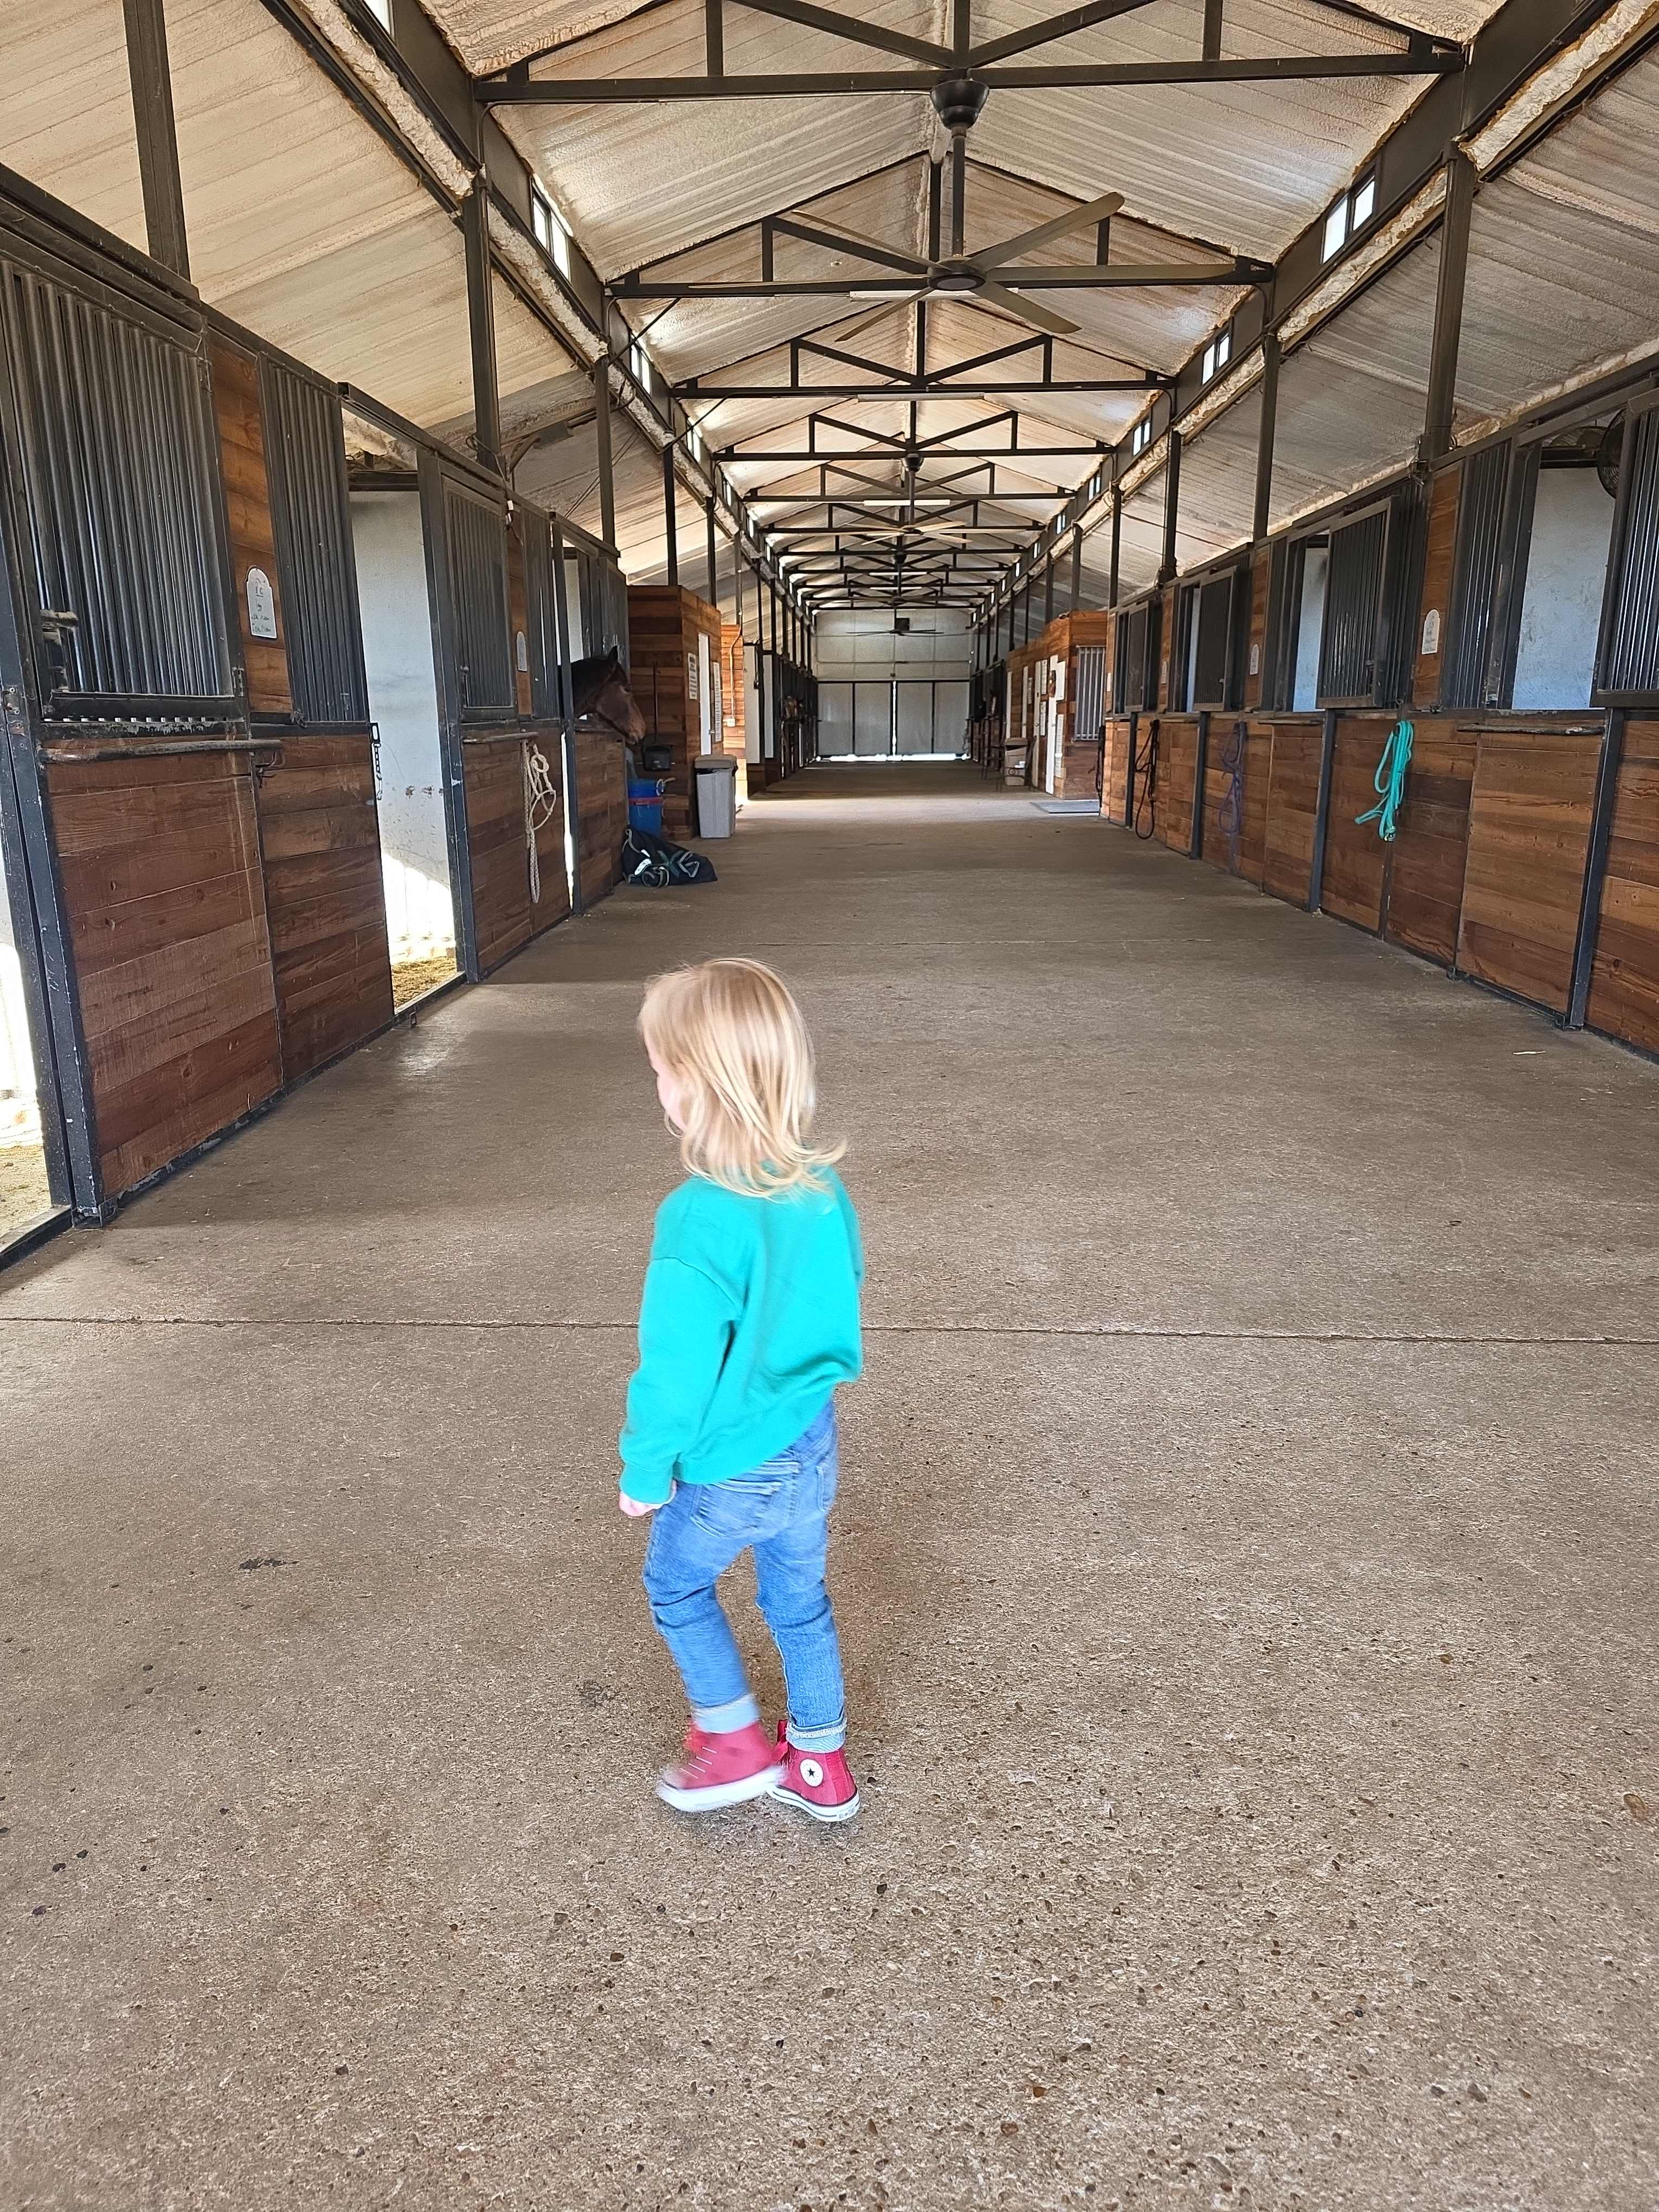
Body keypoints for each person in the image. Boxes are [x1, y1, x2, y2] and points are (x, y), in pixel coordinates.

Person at [619, 957, 863, 1822]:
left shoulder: (695, 1216)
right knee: (799, 1602)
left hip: (734, 1467)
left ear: (697, 1085)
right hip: (814, 1445)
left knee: (678, 1590)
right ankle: (819, 1767)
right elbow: (843, 1295)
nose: (657, 1086)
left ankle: (733, 1746)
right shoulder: (820, 1190)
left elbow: (673, 1372)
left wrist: (646, 1470)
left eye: (659, 1069)